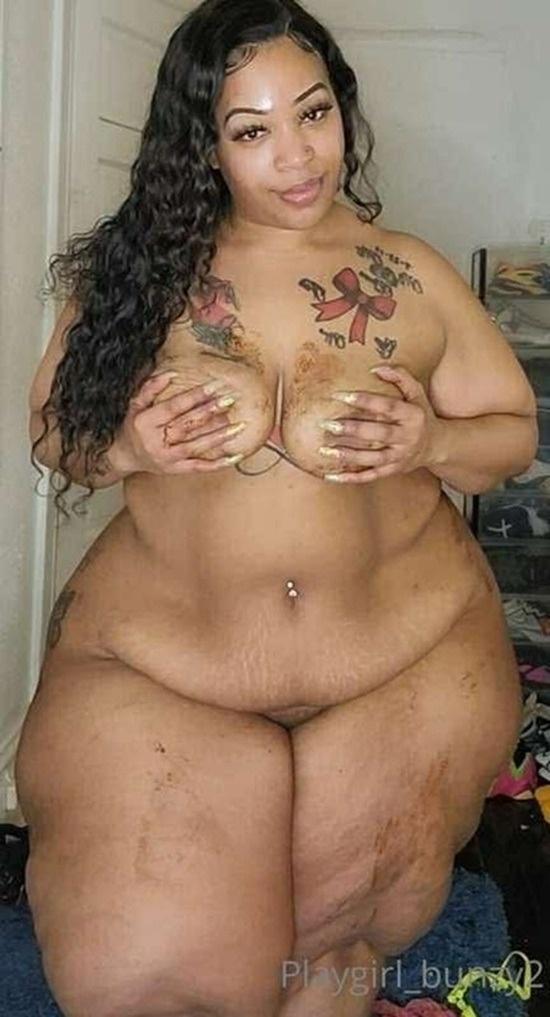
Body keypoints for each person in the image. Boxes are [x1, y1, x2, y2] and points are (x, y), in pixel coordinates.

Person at [16, 1, 538, 1015]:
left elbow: (511, 432)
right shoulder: (139, 275)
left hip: (401, 659)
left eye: (313, 113)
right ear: (203, 147)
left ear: (342, 107)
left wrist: (430, 442)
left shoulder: (410, 272)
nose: (297, 157)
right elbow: (54, 436)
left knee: (317, 955)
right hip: (165, 669)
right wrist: (131, 447)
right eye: (251, 130)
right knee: (158, 978)